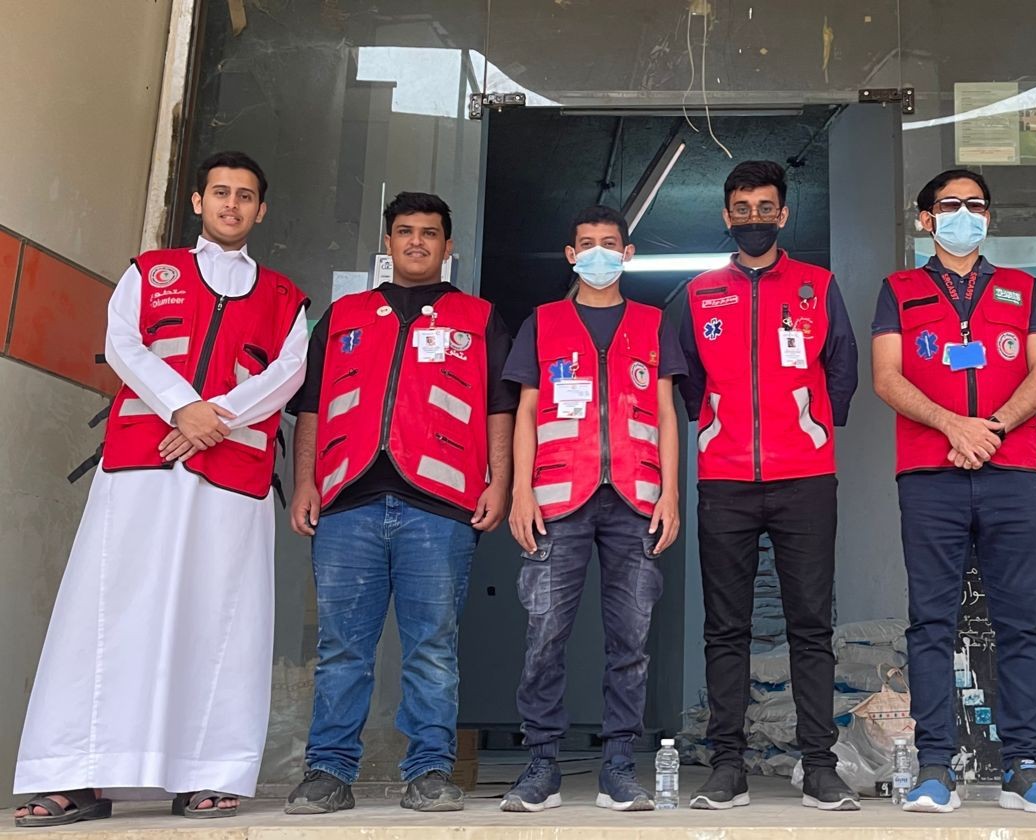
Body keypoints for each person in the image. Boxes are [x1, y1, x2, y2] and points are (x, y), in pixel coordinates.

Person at [13, 152, 309, 826]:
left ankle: (208, 773)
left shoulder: (284, 297)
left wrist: (212, 420)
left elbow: (287, 375)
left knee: (221, 618)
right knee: (105, 612)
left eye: (245, 196)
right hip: (141, 469)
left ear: (261, 210)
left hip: (231, 476)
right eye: (221, 192)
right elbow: (124, 346)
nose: (232, 204)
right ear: (199, 202)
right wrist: (182, 408)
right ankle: (75, 775)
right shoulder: (150, 273)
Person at [283, 192, 516, 814]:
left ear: (448, 246)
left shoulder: (478, 318)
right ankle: (328, 773)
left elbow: (500, 407)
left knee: (432, 648)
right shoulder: (344, 314)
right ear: (388, 243)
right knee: (341, 650)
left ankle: (430, 772)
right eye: (405, 231)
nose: (417, 241)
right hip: (347, 503)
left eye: (430, 233)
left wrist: (499, 480)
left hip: (439, 507)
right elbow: (311, 406)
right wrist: (305, 481)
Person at [871, 168, 1036, 815]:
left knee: (1020, 624)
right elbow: (886, 376)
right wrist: (952, 425)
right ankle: (936, 767)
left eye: (976, 205)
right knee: (932, 623)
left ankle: (1024, 766)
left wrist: (993, 428)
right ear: (926, 219)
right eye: (951, 205)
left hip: (1011, 475)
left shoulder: (1020, 288)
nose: (965, 215)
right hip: (930, 476)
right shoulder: (899, 289)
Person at [678, 160, 860, 811]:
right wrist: (715, 429)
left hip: (805, 477)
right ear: (726, 216)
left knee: (810, 625)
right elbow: (688, 380)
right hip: (724, 479)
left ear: (783, 215)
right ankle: (727, 767)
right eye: (742, 208)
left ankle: (820, 766)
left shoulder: (818, 286)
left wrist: (811, 427)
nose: (753, 218)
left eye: (764, 207)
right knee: (724, 628)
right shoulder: (700, 293)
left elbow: (842, 366)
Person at [497, 205, 686, 813]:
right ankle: (542, 765)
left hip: (636, 500)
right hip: (557, 499)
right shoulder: (543, 322)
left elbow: (666, 414)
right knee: (544, 635)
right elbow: (527, 412)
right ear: (571, 255)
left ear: (627, 254)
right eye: (587, 243)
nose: (598, 252)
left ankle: (619, 768)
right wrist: (520, 491)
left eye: (610, 243)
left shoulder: (653, 323)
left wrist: (672, 493)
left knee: (631, 641)